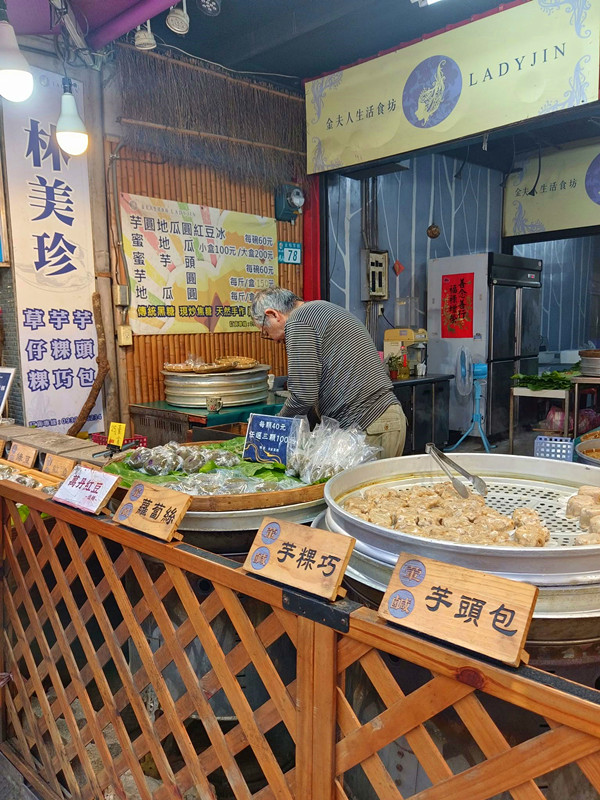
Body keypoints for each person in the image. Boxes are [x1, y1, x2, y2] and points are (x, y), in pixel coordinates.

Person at [251, 288, 406, 459]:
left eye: (265, 332)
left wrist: (272, 427)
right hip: (383, 422)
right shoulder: (319, 310)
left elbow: (303, 395)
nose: (273, 339)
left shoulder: (298, 319)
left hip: (370, 424)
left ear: (273, 314)